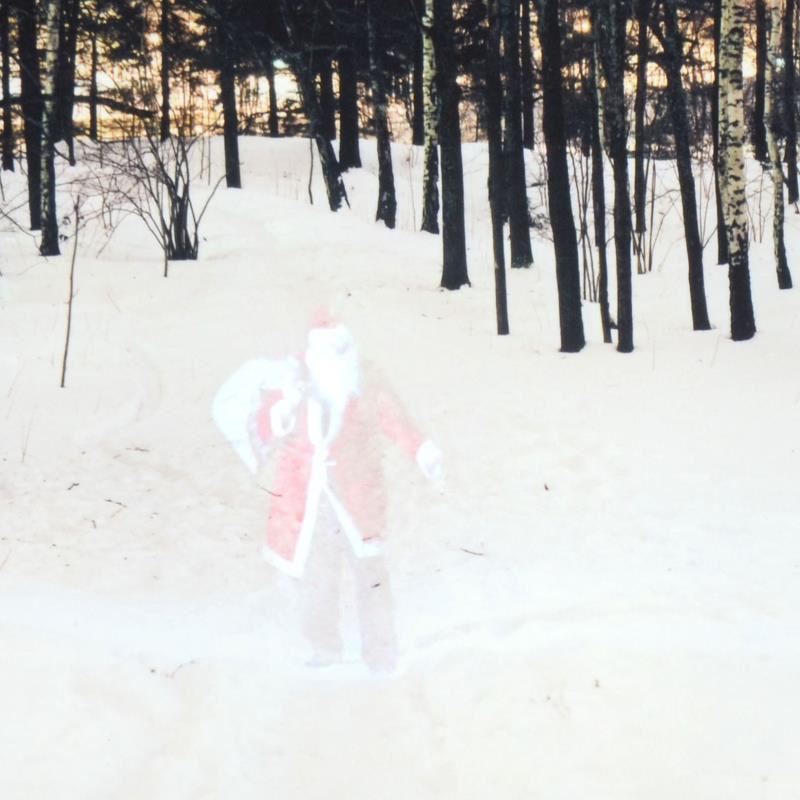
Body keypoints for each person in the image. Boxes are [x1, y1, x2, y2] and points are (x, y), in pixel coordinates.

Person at [213, 312, 442, 671]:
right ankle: (324, 647)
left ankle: (381, 652)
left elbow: (394, 418)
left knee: (370, 573)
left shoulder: (366, 383)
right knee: (317, 576)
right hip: (310, 499)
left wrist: (422, 450)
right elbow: (267, 426)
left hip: (358, 496)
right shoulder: (294, 382)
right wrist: (281, 414)